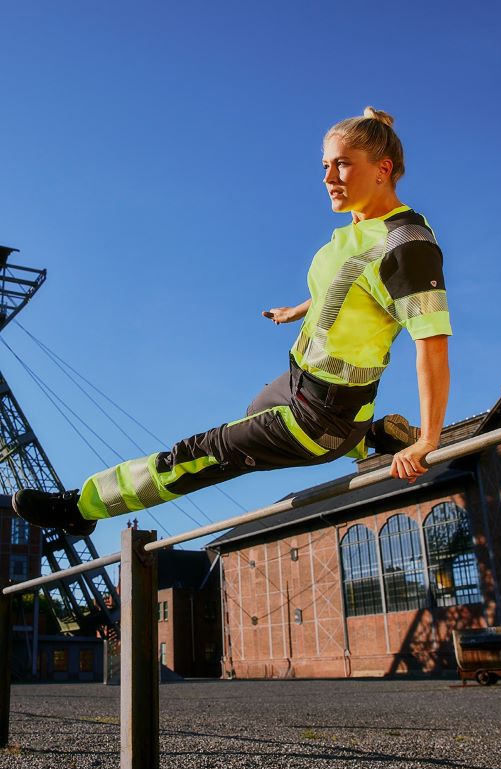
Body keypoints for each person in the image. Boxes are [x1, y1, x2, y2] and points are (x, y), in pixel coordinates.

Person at [13, 107, 451, 538]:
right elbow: (351, 283)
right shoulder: (358, 227)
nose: (327, 178)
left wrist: (427, 440)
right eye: (324, 165)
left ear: (383, 169)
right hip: (300, 381)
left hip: (322, 414)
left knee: (198, 455)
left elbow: (431, 344)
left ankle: (80, 507)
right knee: (253, 413)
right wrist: (299, 310)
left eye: (341, 165)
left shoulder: (406, 245)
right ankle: (369, 434)